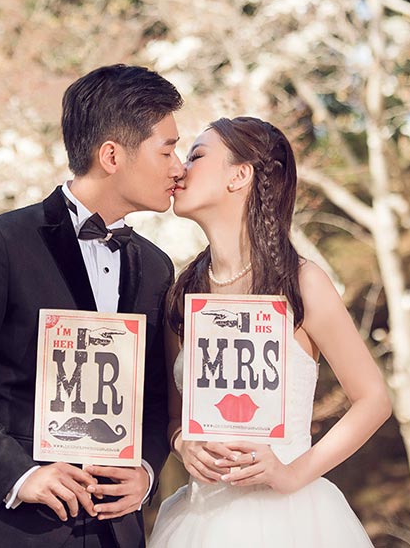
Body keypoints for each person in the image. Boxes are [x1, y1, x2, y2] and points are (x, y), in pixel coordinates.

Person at [0, 65, 185, 548]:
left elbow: (153, 396)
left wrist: (146, 471)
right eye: (167, 150)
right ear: (111, 155)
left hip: (113, 532)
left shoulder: (155, 266)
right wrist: (19, 474)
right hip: (8, 530)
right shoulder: (1, 242)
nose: (178, 167)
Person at [149, 117, 392, 547]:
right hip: (199, 520)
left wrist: (293, 473)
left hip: (291, 520)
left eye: (197, 155)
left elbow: (373, 400)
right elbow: (174, 416)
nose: (180, 169)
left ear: (240, 175)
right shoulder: (182, 293)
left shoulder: (302, 282)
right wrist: (183, 442)